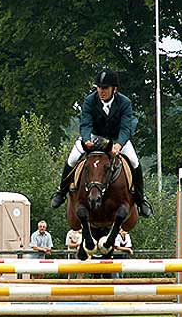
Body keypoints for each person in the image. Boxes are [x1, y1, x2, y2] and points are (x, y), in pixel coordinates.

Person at [50, 69, 153, 217]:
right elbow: (85, 124)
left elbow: (126, 127)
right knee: (72, 158)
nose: (101, 91)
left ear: (114, 89)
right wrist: (86, 139)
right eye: (99, 87)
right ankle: (61, 192)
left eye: (105, 88)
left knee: (134, 161)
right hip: (94, 136)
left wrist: (118, 145)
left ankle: (140, 199)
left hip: (117, 139)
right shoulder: (89, 101)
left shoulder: (124, 102)